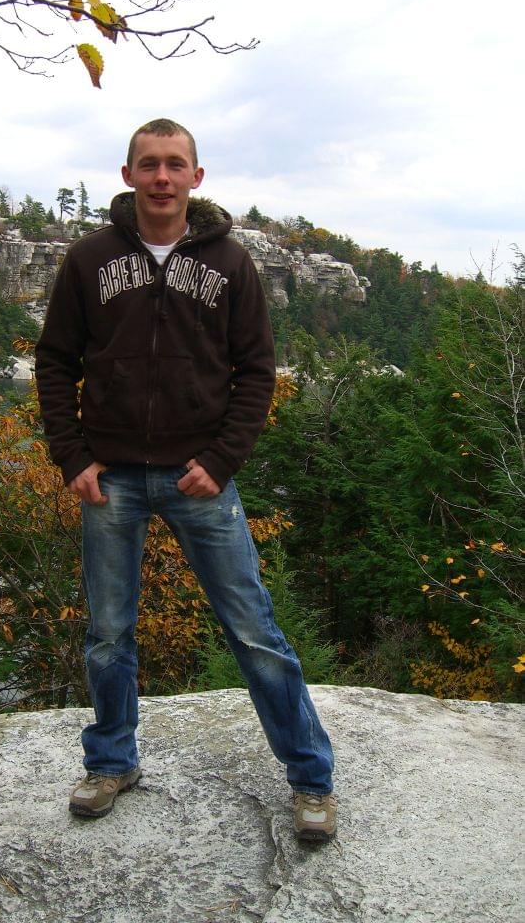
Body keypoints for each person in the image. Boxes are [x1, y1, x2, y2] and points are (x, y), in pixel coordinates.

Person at [35, 118, 337, 841]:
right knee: (108, 634)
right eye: (149, 164)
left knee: (253, 631)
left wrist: (223, 460)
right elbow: (55, 361)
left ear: (196, 178)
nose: (162, 177)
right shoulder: (89, 259)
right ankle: (111, 763)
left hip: (199, 476)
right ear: (128, 175)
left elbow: (256, 370)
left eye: (175, 165)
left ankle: (311, 779)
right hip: (110, 478)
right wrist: (72, 457)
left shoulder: (230, 263)